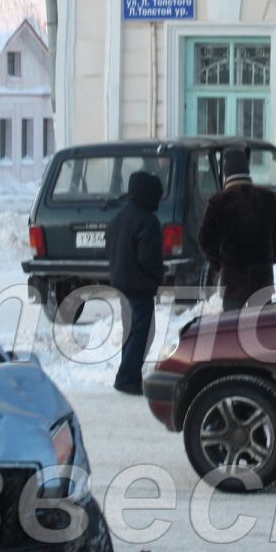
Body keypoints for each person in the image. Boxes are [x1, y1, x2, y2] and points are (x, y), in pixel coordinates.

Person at [197, 146, 276, 312]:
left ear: (226, 172)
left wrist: (220, 263)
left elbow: (205, 240)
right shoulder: (267, 198)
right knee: (263, 330)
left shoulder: (218, 202)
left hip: (233, 282)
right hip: (262, 280)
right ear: (246, 169)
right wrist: (268, 256)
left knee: (232, 332)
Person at [106, 169, 165, 394]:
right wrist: (157, 276)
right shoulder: (147, 221)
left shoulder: (119, 217)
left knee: (131, 331)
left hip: (121, 283)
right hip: (140, 286)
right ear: (148, 194)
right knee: (141, 333)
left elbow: (109, 248)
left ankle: (130, 375)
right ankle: (127, 377)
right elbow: (148, 258)